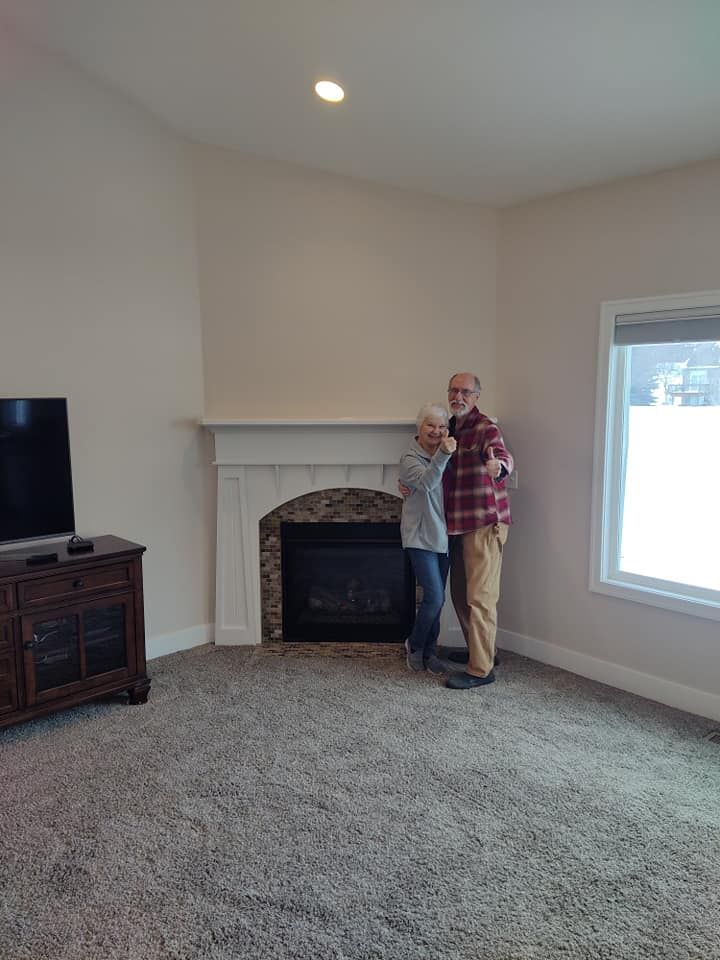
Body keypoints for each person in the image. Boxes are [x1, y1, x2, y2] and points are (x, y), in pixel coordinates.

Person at [442, 372, 514, 690]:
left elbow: (503, 457)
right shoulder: (449, 428)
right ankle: (482, 650)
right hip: (456, 524)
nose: (459, 396)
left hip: (484, 523)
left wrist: (499, 468)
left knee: (480, 597)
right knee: (459, 593)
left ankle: (481, 670)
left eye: (466, 392)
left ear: (477, 396)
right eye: (454, 391)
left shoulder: (485, 427)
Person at [399, 404, 457, 674]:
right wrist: (443, 455)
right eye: (430, 425)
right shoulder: (410, 459)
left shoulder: (449, 455)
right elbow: (425, 484)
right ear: (419, 428)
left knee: (439, 599)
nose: (436, 431)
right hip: (419, 536)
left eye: (442, 426)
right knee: (433, 596)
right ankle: (415, 645)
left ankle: (431, 652)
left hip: (444, 536)